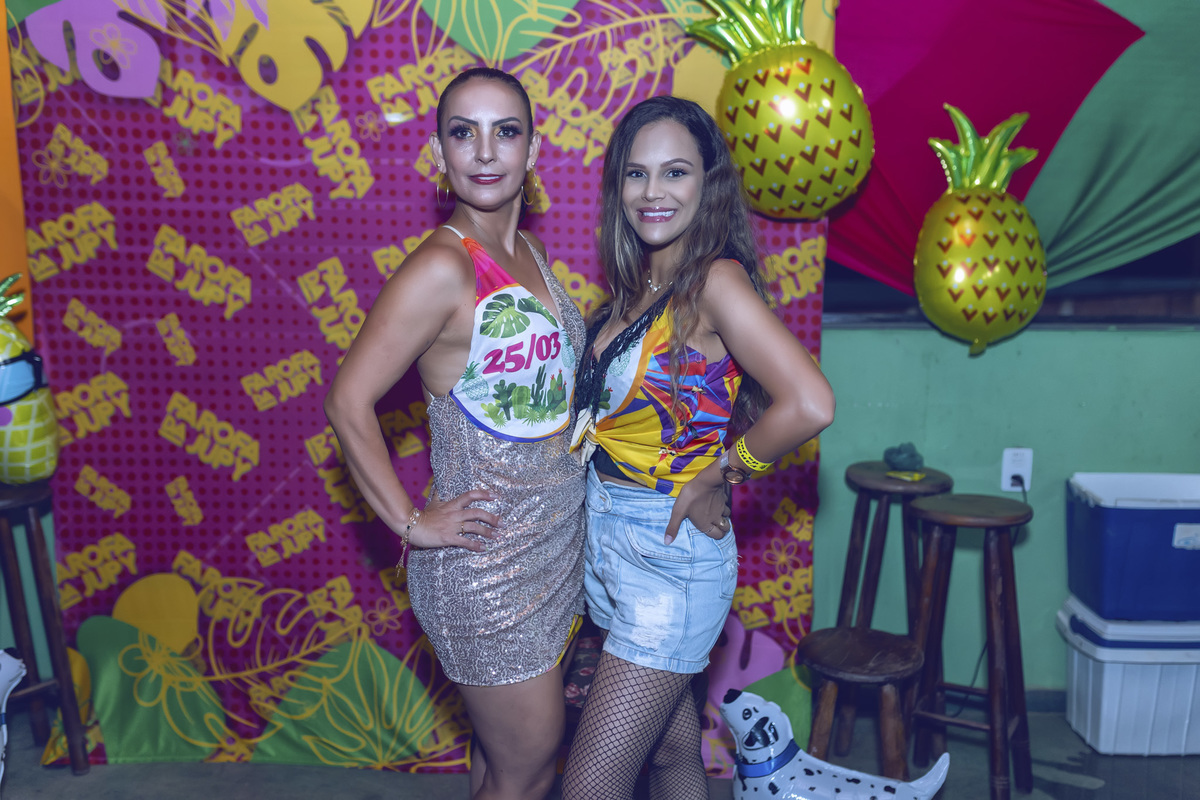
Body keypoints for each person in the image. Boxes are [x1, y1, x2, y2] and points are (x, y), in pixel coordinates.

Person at [560, 95, 836, 799]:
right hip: (612, 547)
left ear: (707, 183)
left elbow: (810, 402)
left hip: (668, 558)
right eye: (636, 173)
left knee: (589, 787)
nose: (653, 192)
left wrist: (723, 474)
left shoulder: (714, 279)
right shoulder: (639, 285)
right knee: (672, 754)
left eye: (675, 172)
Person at [324, 67, 586, 800]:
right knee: (527, 774)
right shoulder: (443, 266)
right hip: (486, 569)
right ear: (440, 154)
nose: (486, 151)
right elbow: (347, 401)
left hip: (551, 550)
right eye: (464, 133)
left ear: (533, 150)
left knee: (503, 768)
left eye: (506, 131)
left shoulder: (526, 252)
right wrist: (411, 523)